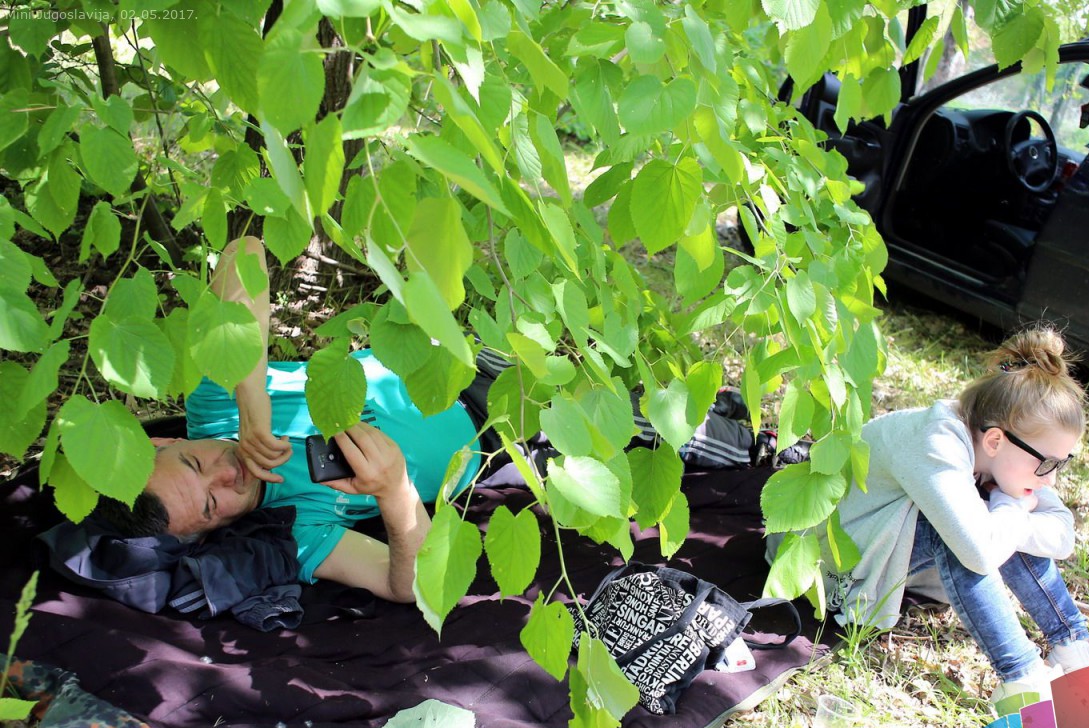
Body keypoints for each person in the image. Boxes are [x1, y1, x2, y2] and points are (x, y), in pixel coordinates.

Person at [94, 237, 781, 603]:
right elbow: (406, 586)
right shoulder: (292, 531)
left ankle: (704, 398)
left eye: (197, 463)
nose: (228, 478)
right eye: (211, 507)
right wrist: (395, 493)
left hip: (456, 358)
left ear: (167, 438)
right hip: (506, 438)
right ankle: (747, 434)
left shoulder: (214, 404)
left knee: (611, 355)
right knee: (676, 433)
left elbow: (244, 253)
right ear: (211, 533)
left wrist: (251, 403)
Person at [768, 326, 1089, 710]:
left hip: (882, 548)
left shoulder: (1011, 452)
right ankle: (1023, 678)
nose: (1052, 478)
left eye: (1062, 463)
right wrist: (1010, 508)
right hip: (826, 564)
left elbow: (1062, 535)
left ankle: (1073, 644)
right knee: (979, 531)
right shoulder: (937, 441)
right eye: (1047, 463)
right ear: (995, 441)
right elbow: (979, 551)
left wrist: (1007, 510)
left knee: (1000, 522)